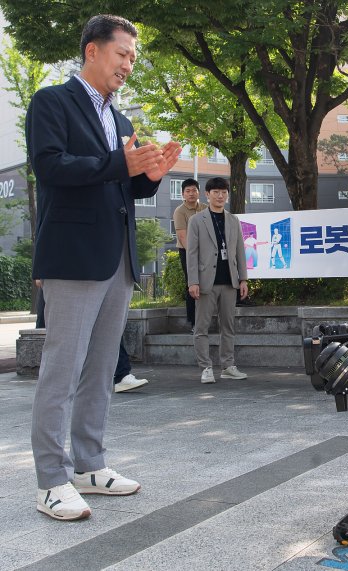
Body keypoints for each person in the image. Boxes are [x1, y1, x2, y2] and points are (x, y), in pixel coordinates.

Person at [26, 14, 180, 521]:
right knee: (62, 368)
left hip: (118, 257)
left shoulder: (122, 120)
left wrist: (151, 176)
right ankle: (52, 478)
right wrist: (122, 165)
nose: (129, 65)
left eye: (133, 57)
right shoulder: (51, 102)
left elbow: (123, 185)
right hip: (73, 255)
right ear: (93, 50)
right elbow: (51, 167)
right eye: (123, 55)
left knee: (100, 370)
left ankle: (90, 465)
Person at [186, 177, 249, 384]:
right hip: (205, 282)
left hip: (230, 281)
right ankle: (205, 368)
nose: (220, 196)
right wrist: (192, 281)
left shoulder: (233, 220)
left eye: (223, 192)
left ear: (227, 195)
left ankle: (228, 366)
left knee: (228, 327)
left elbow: (240, 250)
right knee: (201, 327)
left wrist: (243, 279)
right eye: (216, 192)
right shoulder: (196, 220)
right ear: (207, 194)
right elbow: (191, 253)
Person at [35, 280, 148, 394]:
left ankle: (121, 374)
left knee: (106, 332)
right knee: (64, 343)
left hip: (107, 273)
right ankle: (121, 374)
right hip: (69, 277)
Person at [172, 178, 207, 329]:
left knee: (207, 284)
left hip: (207, 253)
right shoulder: (180, 211)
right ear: (183, 194)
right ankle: (193, 322)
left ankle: (206, 319)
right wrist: (194, 254)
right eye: (188, 191)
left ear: (199, 192)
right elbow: (182, 236)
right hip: (187, 252)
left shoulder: (206, 208)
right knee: (192, 284)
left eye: (194, 190)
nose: (191, 193)